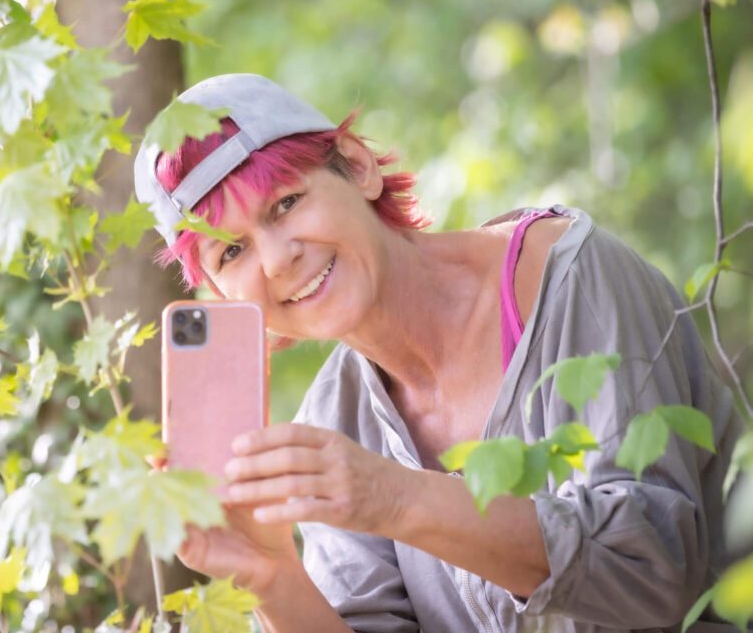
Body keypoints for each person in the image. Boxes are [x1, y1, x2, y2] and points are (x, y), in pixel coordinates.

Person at [133, 73, 742, 632]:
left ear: (357, 166)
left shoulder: (571, 278)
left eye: (286, 203)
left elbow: (654, 569)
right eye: (231, 253)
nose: (276, 258)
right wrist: (270, 576)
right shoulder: (331, 424)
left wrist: (395, 498)